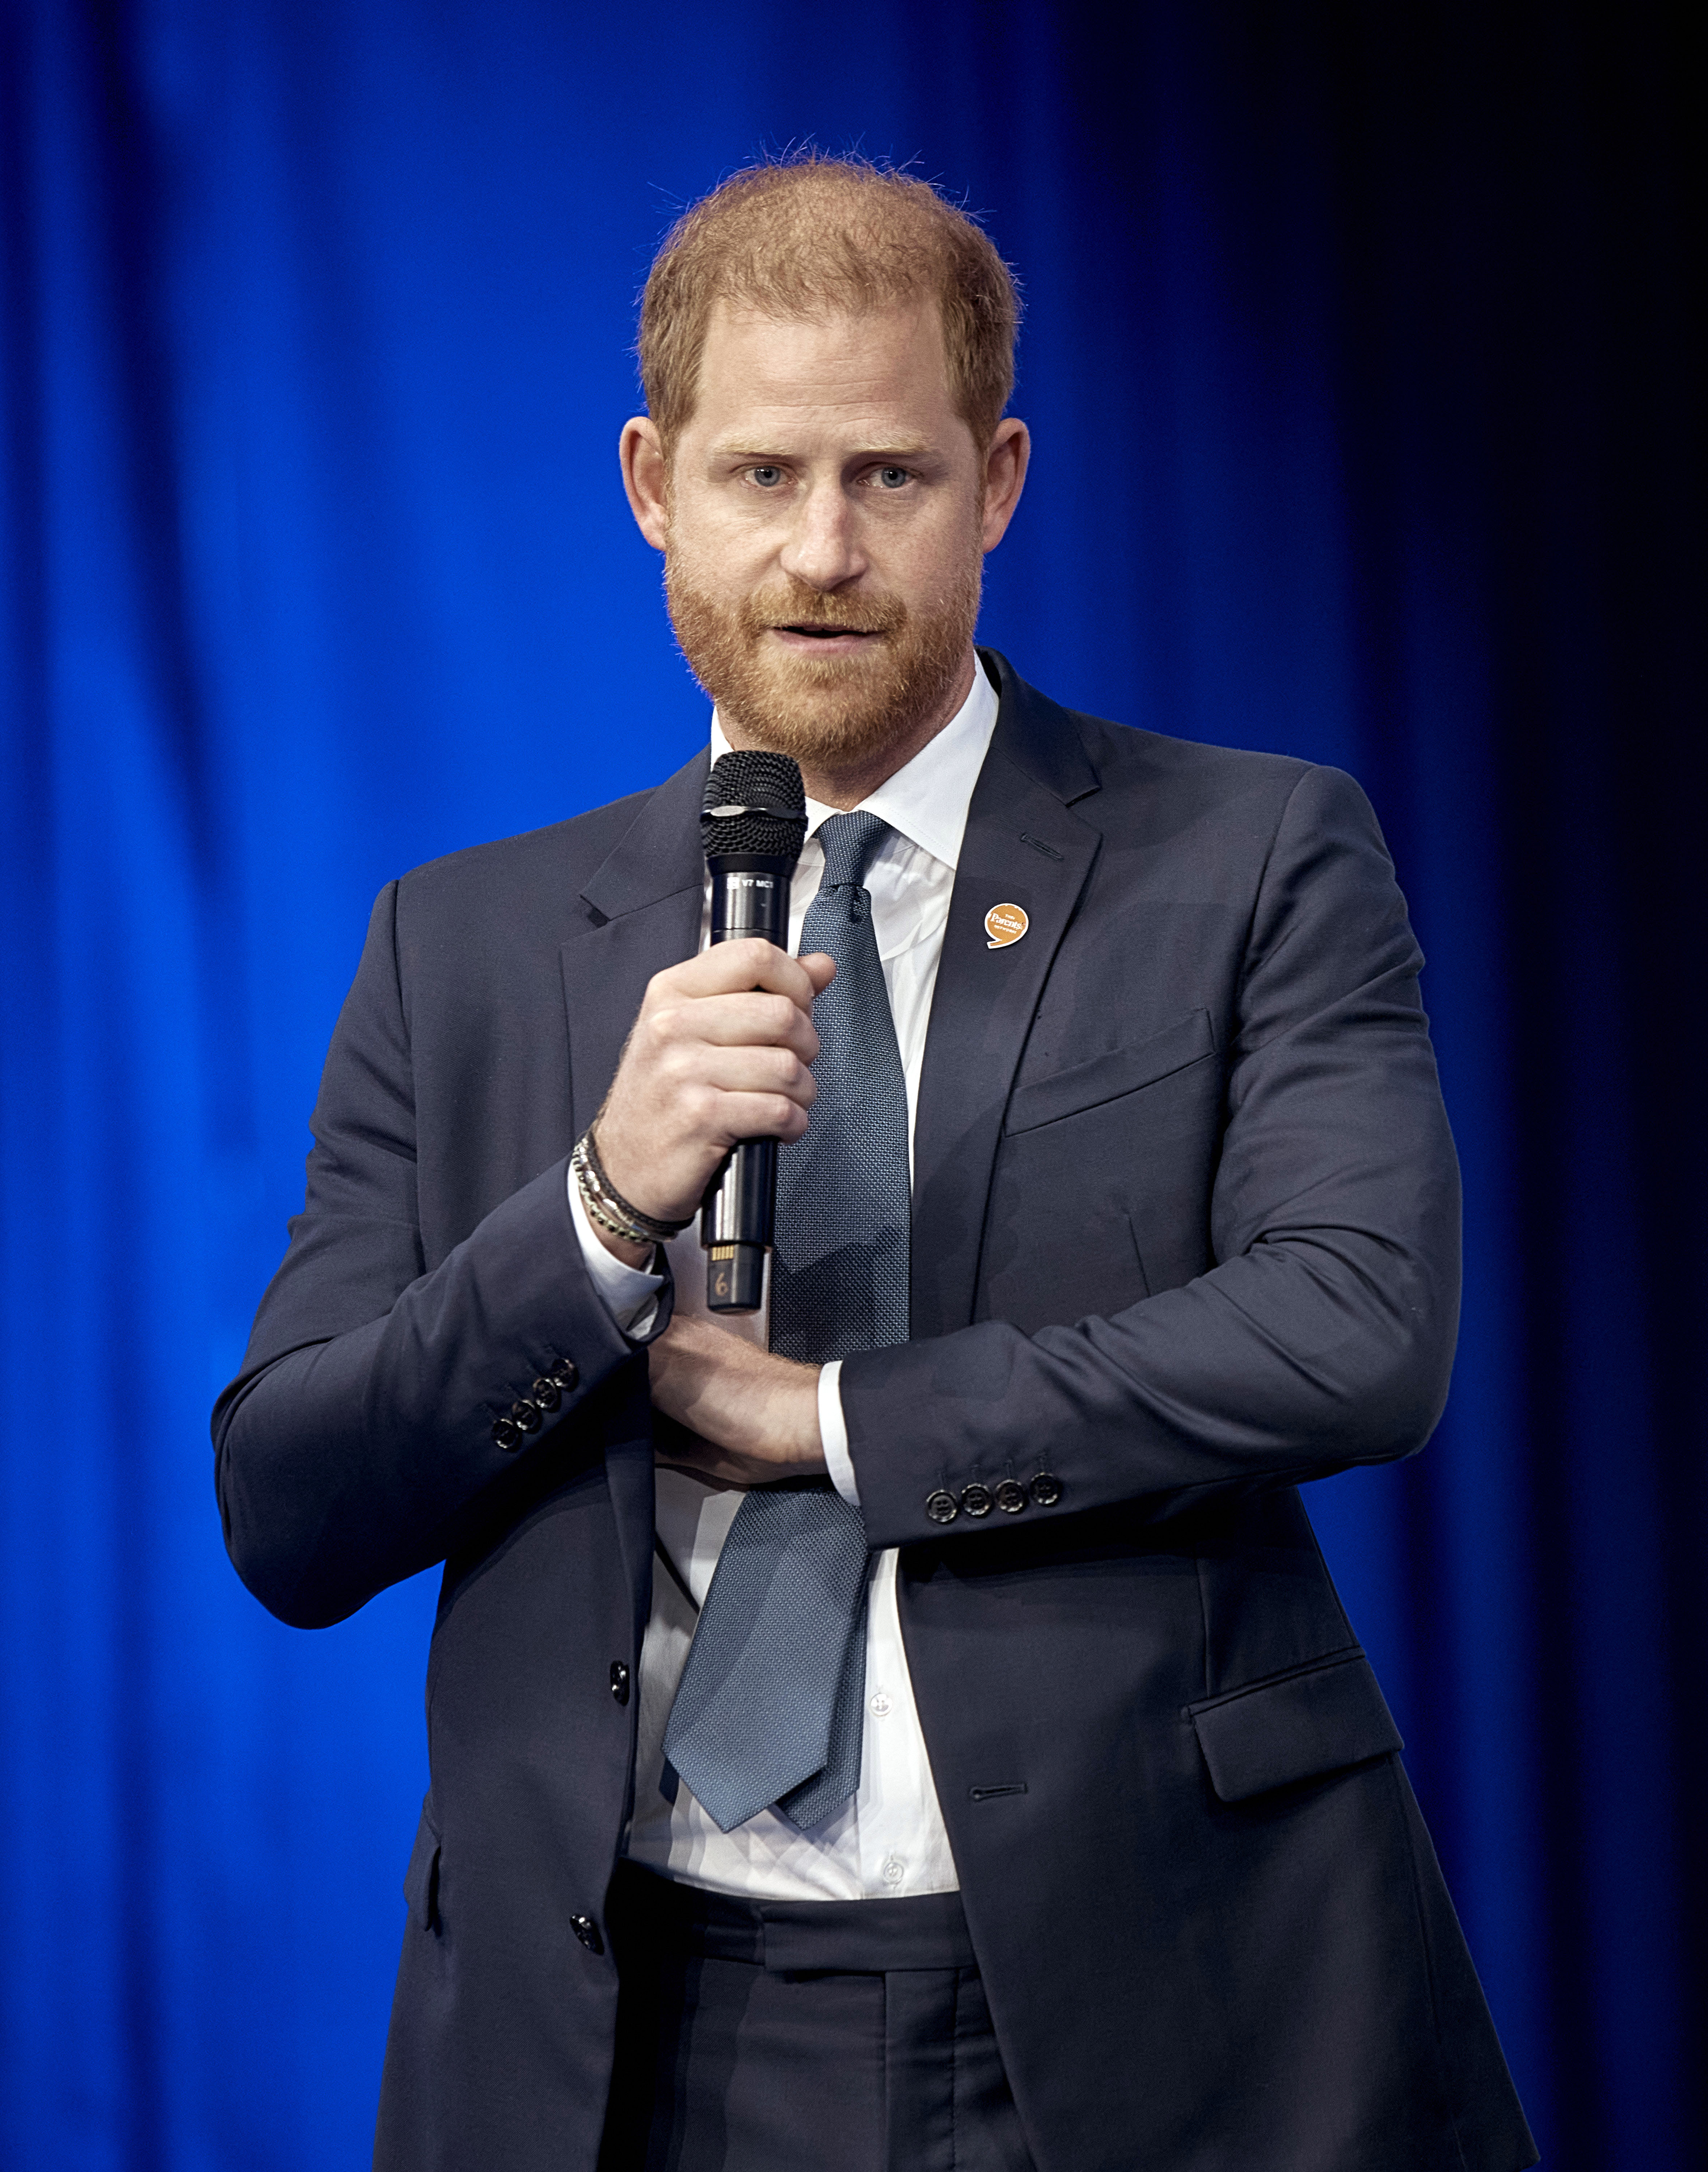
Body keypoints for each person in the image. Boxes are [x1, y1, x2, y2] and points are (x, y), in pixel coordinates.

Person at [214, 157, 1537, 2172]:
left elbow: (1360, 1328)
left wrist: (837, 1419)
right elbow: (288, 1507)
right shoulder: (460, 942)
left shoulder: (1251, 855)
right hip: (625, 2035)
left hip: (1153, 1999)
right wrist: (595, 1212)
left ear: (997, 480)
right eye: (759, 476)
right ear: (652, 483)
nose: (822, 550)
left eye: (889, 478)